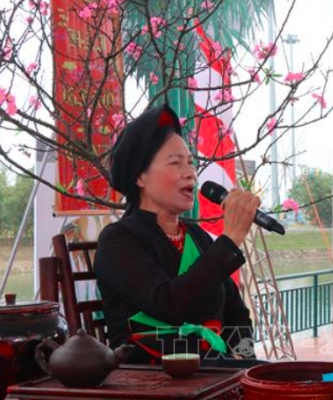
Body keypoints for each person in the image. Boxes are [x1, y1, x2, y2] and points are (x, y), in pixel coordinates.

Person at [94, 103, 261, 365]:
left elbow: (236, 313)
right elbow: (169, 304)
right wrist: (229, 241)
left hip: (213, 372)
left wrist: (244, 361)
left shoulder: (197, 237)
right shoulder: (118, 239)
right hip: (151, 378)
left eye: (190, 163)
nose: (190, 173)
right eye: (176, 163)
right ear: (140, 177)